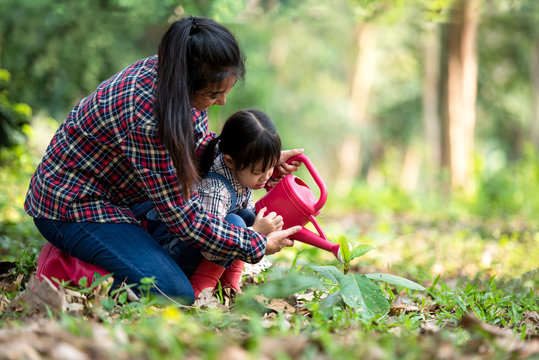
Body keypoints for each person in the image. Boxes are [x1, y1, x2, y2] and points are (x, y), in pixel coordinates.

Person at [24, 16, 302, 305]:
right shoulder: (149, 117)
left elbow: (196, 145)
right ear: (188, 84)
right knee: (173, 292)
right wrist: (256, 243)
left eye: (226, 92)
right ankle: (66, 264)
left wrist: (254, 161)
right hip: (75, 205)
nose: (221, 102)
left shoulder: (176, 71)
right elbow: (185, 220)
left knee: (235, 219)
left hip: (129, 190)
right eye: (213, 94)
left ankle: (121, 249)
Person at [183, 109, 284, 298]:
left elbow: (247, 212)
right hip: (190, 251)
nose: (267, 175)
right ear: (230, 161)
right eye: (259, 171)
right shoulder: (215, 187)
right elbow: (209, 240)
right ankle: (202, 285)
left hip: (213, 246)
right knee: (237, 224)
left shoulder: (240, 174)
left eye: (271, 166)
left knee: (248, 216)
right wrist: (256, 234)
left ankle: (228, 282)